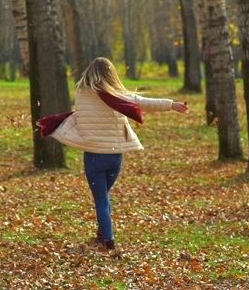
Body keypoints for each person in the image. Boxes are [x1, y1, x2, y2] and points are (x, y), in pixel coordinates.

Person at [37, 57, 188, 251]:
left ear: (89, 72)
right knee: (104, 197)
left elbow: (81, 114)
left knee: (101, 199)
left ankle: (108, 241)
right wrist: (171, 105)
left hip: (93, 155)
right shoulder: (117, 94)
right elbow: (142, 102)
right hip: (115, 155)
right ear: (111, 74)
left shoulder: (81, 93)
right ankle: (102, 235)